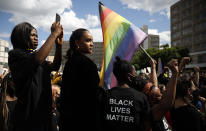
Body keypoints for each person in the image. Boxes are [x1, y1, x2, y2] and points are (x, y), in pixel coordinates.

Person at [8, 21, 63, 131]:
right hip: (29, 118)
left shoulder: (35, 57)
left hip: (44, 116)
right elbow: (37, 59)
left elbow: (55, 66)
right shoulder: (16, 56)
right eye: (33, 35)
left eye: (37, 35)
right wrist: (53, 34)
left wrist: (58, 45)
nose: (36, 38)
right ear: (21, 36)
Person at [59, 28, 103, 131]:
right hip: (85, 120)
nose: (92, 44)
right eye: (88, 40)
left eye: (92, 41)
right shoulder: (87, 64)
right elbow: (93, 95)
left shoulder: (70, 62)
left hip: (69, 121)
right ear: (77, 43)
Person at [102, 56, 152, 131]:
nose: (136, 77)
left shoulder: (104, 95)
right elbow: (147, 125)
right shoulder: (140, 97)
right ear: (129, 76)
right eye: (135, 74)